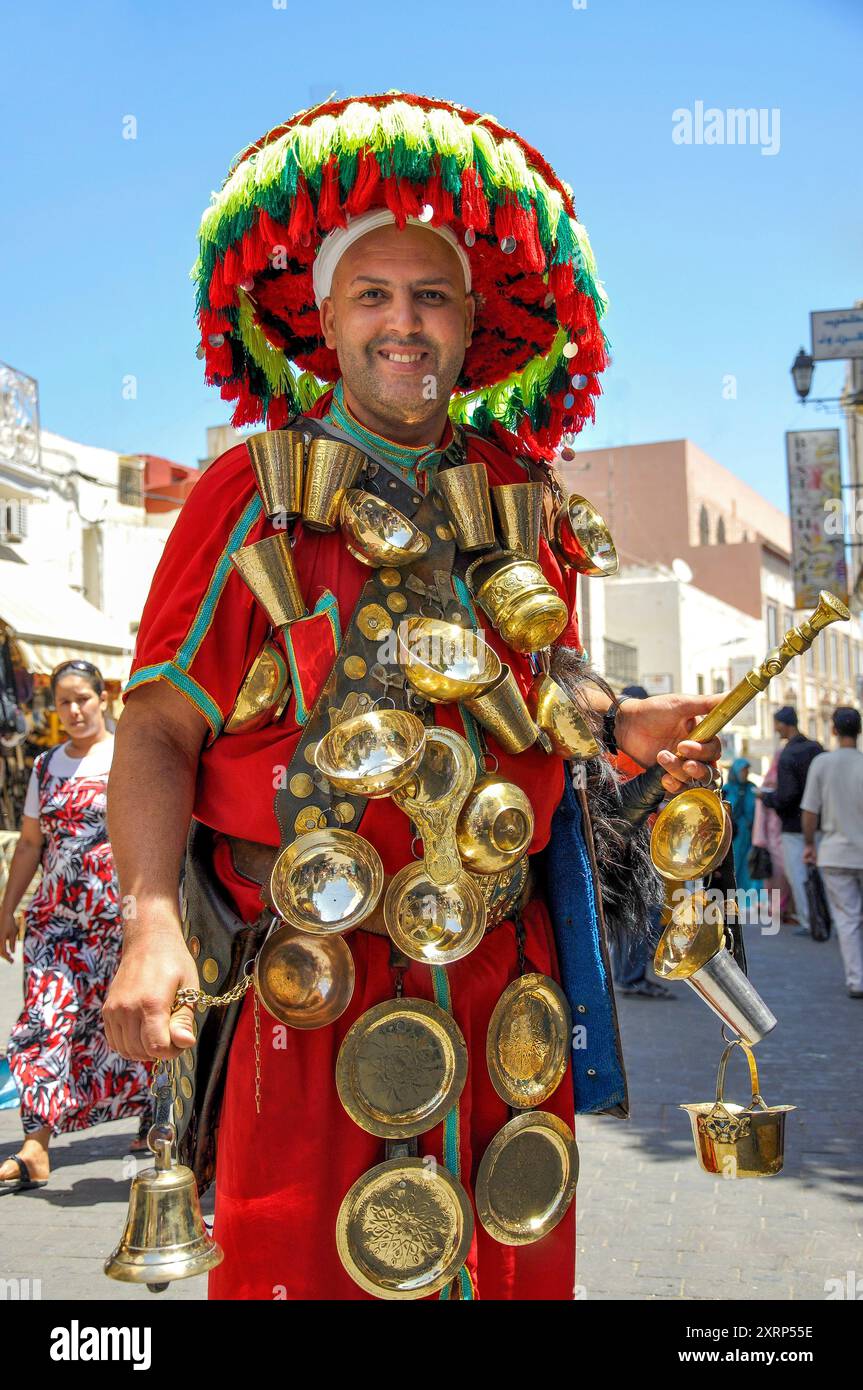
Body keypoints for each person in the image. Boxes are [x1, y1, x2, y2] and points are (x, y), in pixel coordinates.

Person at [103, 91, 721, 1301]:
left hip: (500, 978)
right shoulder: (242, 497)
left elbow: (532, 693)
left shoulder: (521, 499)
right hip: (306, 980)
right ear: (326, 319)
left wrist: (616, 726)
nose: (403, 323)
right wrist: (148, 921)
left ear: (469, 322)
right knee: (302, 1274)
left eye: (429, 296)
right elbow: (158, 727)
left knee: (507, 1268)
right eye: (372, 295)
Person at [0, 661, 150, 1190]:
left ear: (103, 698)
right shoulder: (44, 768)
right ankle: (35, 1145)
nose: (73, 711)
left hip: (120, 921)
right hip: (55, 924)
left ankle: (150, 1111)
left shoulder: (129, 757)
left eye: (82, 698)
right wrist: (7, 909)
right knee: (45, 1019)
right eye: (63, 702)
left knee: (123, 1020)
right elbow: (31, 845)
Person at [610, 686, 673, 999]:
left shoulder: (609, 742)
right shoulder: (641, 744)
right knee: (644, 905)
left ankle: (627, 973)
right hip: (640, 836)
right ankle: (631, 976)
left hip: (614, 836)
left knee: (629, 905)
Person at [800, 707, 863, 997]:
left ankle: (856, 979)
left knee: (847, 918)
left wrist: (810, 844)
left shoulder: (822, 763)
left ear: (834, 730)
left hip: (835, 853)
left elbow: (810, 811)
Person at [760, 706, 822, 933]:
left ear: (784, 724)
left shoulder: (788, 754)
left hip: (794, 824)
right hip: (819, 822)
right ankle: (823, 917)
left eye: (776, 724)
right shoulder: (816, 749)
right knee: (819, 875)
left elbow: (786, 795)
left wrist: (766, 798)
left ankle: (809, 920)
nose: (776, 729)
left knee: (798, 875)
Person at [751, 746, 792, 922]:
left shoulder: (785, 781)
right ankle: (778, 907)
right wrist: (759, 838)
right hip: (771, 835)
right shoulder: (768, 782)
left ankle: (784, 907)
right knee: (776, 872)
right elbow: (761, 813)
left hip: (781, 834)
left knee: (784, 871)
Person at [724, 757, 763, 916]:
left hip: (750, 834)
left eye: (747, 770)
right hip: (735, 835)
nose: (745, 773)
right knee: (735, 866)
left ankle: (748, 900)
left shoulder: (752, 788)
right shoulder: (727, 789)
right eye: (743, 770)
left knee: (749, 867)